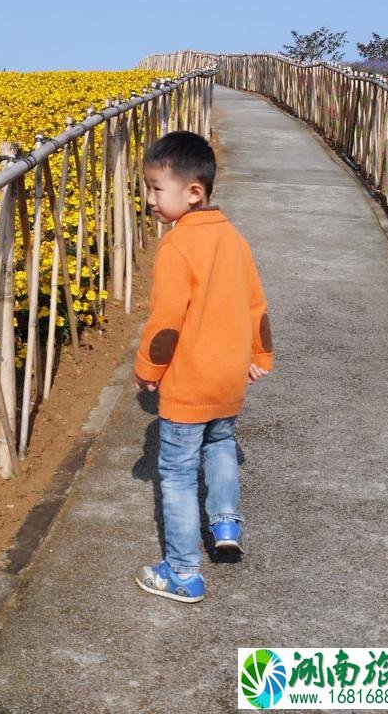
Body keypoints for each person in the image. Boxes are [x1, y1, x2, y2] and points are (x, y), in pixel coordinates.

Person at [132, 130, 274, 603]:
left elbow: (166, 322)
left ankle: (183, 571)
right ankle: (226, 520)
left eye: (156, 188)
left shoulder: (176, 248)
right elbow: (256, 305)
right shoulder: (234, 239)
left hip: (190, 381)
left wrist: (148, 370)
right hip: (229, 378)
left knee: (174, 472)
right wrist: (260, 356)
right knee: (222, 442)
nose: (149, 198)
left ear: (193, 192)